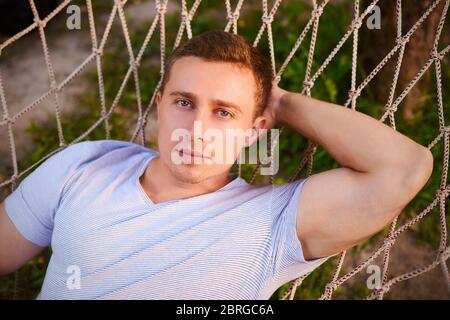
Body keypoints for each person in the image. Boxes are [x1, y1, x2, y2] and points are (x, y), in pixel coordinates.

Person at [0, 30, 433, 299]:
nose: (197, 128)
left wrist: (280, 102)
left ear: (256, 128)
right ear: (160, 105)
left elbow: (405, 168)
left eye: (224, 112)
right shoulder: (85, 166)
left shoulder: (273, 223)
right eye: (184, 102)